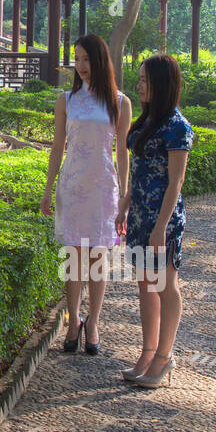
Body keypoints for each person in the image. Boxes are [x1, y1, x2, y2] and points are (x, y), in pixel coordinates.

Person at [41, 33, 131, 355]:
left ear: (99, 60)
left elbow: (122, 152)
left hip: (103, 188)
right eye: (76, 59)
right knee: (73, 258)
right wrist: (48, 190)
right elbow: (57, 147)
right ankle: (73, 318)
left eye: (85, 59)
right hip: (72, 185)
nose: (80, 66)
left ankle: (93, 321)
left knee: (97, 258)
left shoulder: (120, 102)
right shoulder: (66, 100)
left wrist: (125, 194)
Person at [115, 54, 193, 388]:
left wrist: (161, 227)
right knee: (145, 285)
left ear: (162, 84)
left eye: (146, 79)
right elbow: (141, 170)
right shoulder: (147, 123)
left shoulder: (178, 128)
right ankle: (147, 352)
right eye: (140, 78)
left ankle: (164, 357)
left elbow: (175, 183)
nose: (140, 84)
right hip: (140, 216)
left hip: (164, 219)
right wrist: (125, 203)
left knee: (164, 285)